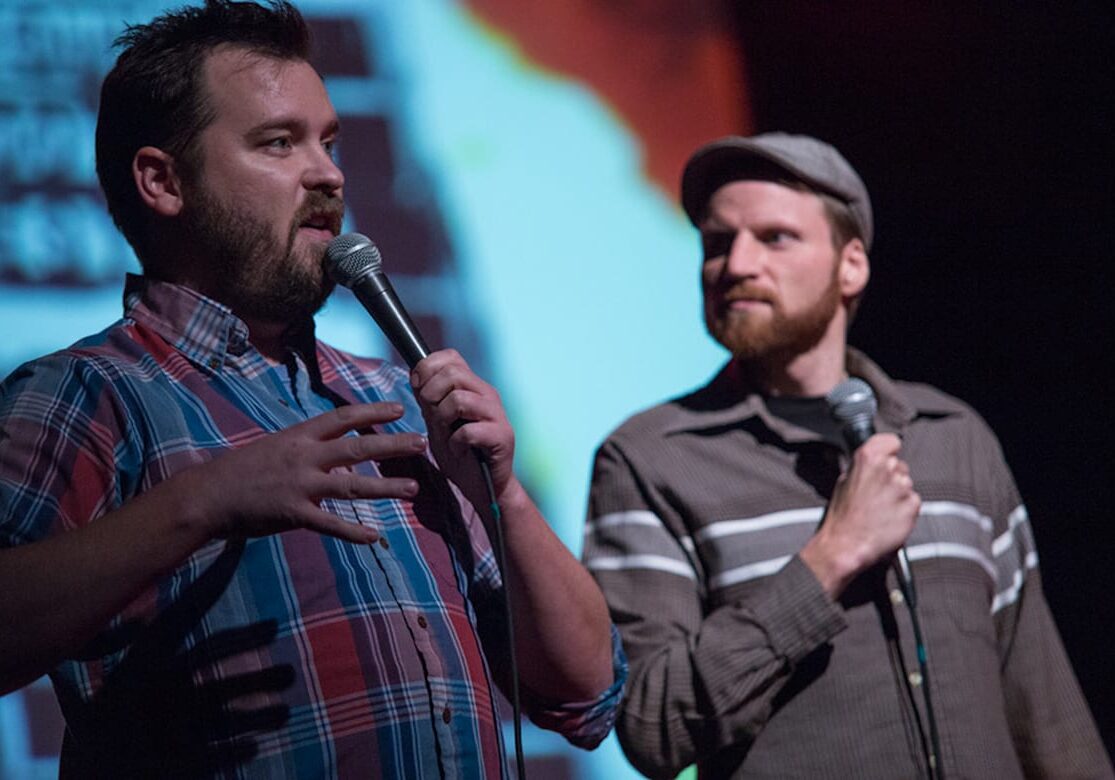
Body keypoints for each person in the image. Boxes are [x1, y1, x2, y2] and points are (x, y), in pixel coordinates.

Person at [0, 1, 623, 776]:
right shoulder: (89, 393)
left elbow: (585, 692)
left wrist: (506, 495)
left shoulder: (390, 394)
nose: (327, 172)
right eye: (278, 142)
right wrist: (203, 502)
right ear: (162, 181)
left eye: (328, 142)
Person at [582, 132, 1112, 778]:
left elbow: (1042, 704)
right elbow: (650, 724)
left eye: (774, 238)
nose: (736, 264)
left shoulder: (951, 436)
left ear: (850, 265)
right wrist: (826, 560)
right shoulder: (650, 459)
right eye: (717, 242)